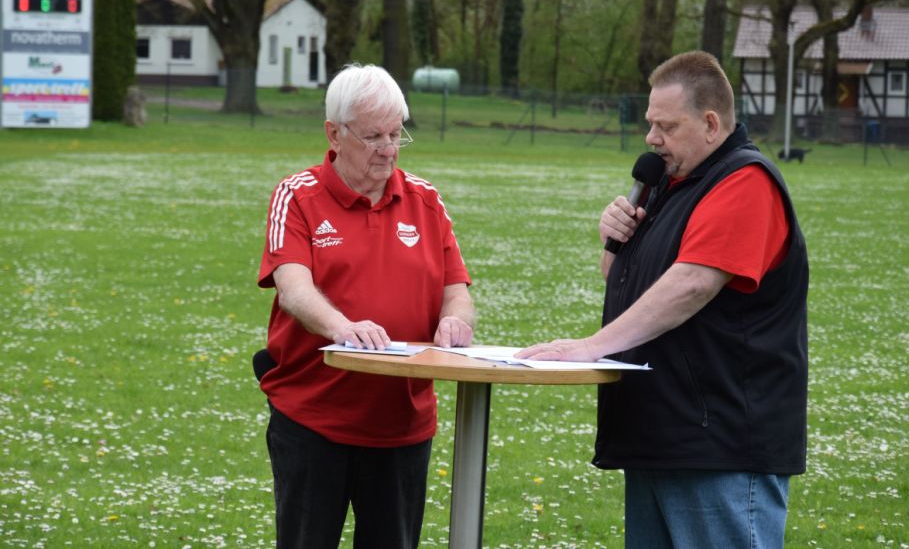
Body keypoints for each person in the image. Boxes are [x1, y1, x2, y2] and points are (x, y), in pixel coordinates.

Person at [517, 51, 808, 548]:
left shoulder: (745, 182)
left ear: (711, 124)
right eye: (650, 124)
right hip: (663, 437)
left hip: (721, 448)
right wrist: (618, 241)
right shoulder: (668, 186)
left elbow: (694, 282)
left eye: (666, 126)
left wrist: (593, 346)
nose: (651, 138)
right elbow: (625, 280)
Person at [256, 64, 474, 548]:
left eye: (397, 133)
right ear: (334, 133)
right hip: (314, 420)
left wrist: (456, 322)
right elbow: (293, 289)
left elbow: (456, 288)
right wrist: (343, 326)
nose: (389, 148)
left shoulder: (425, 200)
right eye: (374, 136)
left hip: (403, 425)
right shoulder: (297, 196)